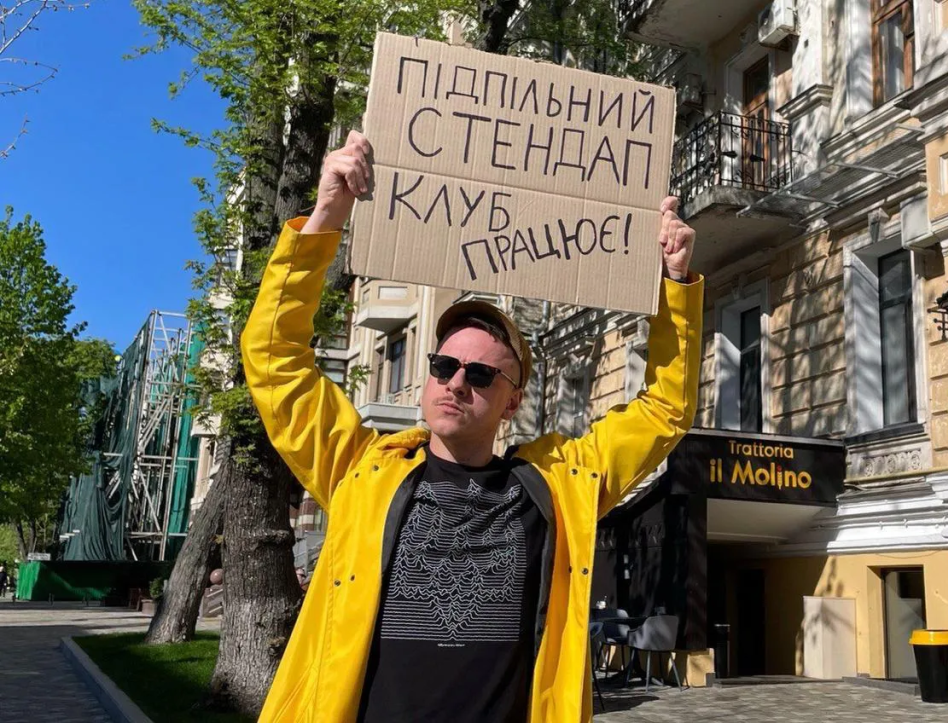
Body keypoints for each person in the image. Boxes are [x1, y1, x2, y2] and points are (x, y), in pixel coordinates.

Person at [241, 130, 704, 723]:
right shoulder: (358, 470)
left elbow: (664, 408)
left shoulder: (561, 488)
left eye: (481, 374)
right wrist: (327, 215)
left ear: (512, 402)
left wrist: (674, 284)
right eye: (443, 365)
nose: (456, 383)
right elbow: (274, 358)